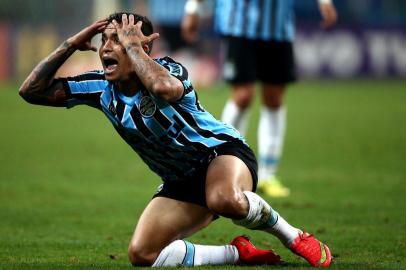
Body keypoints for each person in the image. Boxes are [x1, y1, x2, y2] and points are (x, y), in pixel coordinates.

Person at [19, 12, 332, 267]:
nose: (107, 48)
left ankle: (293, 236)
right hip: (180, 179)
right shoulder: (101, 88)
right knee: (142, 255)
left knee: (223, 198)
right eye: (105, 41)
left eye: (121, 40)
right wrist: (71, 44)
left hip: (221, 154)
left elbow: (162, 89)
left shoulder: (170, 70)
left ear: (143, 48)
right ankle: (237, 254)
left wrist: (134, 49)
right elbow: (30, 92)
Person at [182, 0, 338, 197]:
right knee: (243, 95)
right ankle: (221, 163)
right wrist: (193, 8)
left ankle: (268, 174)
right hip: (238, 23)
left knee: (274, 98)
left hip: (277, 27)